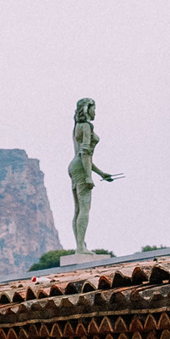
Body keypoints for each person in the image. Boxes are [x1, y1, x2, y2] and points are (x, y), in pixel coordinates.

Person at [68, 97, 117, 252]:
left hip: (75, 166)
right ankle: (80, 247)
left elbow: (85, 156)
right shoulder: (87, 126)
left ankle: (80, 245)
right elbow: (85, 153)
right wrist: (88, 176)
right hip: (81, 167)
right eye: (94, 108)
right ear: (87, 109)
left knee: (78, 208)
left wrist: (101, 173)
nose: (95, 112)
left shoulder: (77, 126)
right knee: (84, 207)